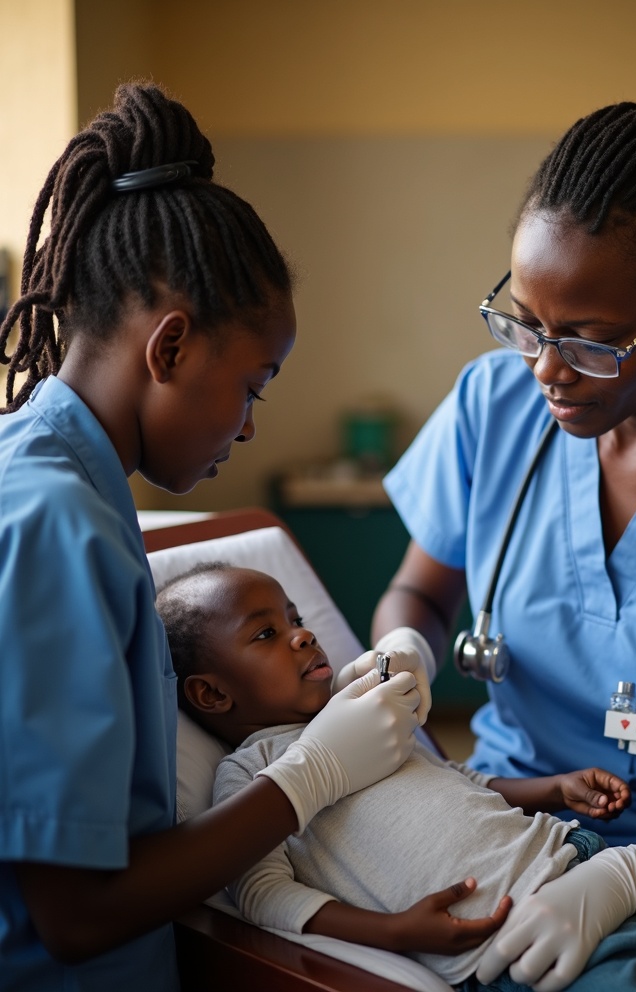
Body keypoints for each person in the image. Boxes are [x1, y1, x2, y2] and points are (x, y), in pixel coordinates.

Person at [371, 63, 636, 988]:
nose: (546, 370)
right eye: (527, 323)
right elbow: (421, 592)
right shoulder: (493, 405)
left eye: (592, 342)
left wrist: (635, 876)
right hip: (502, 820)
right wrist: (402, 659)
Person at [0, 81, 434, 992]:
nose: (248, 426)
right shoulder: (56, 525)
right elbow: (77, 917)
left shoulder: (59, 478)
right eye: (252, 386)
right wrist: (309, 775)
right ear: (169, 349)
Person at [157, 561, 636, 992]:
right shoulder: (253, 774)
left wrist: (551, 789)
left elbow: (456, 778)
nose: (301, 637)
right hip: (517, 942)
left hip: (582, 869)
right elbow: (260, 891)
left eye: (296, 619)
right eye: (266, 634)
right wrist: (392, 932)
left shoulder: (360, 714)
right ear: (212, 694)